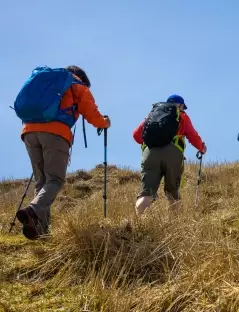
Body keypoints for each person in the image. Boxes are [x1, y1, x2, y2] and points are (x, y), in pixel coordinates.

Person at [15, 65, 111, 240]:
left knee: (42, 181)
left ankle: (41, 231)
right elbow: (91, 113)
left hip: (28, 131)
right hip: (55, 132)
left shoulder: (46, 81)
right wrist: (104, 123)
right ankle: (33, 210)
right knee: (55, 180)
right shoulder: (77, 84)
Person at [132, 94, 207, 215]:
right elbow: (192, 136)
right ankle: (174, 225)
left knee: (146, 194)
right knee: (173, 194)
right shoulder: (182, 116)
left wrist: (153, 142)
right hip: (173, 153)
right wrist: (202, 148)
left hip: (150, 153)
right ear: (181, 105)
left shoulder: (152, 115)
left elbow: (136, 135)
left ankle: (136, 225)